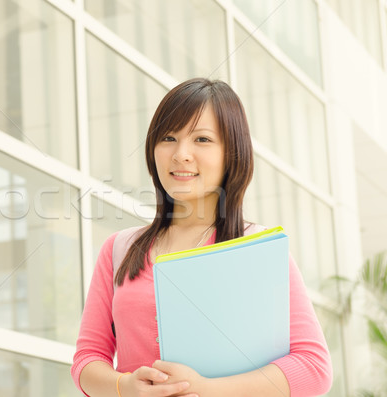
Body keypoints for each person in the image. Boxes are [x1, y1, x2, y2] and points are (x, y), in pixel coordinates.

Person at [71, 78, 333, 397]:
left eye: (202, 139)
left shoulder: (259, 247)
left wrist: (207, 389)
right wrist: (123, 386)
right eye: (168, 137)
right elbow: (87, 360)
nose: (181, 154)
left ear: (231, 154)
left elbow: (313, 366)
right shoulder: (119, 249)